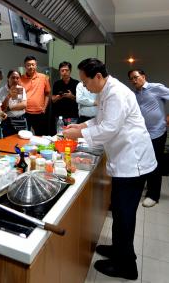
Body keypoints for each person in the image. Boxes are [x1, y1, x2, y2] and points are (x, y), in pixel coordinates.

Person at [63, 58, 156, 280]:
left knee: (125, 215)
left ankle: (127, 266)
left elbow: (109, 128)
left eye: (85, 81)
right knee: (120, 211)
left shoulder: (116, 93)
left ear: (97, 76)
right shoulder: (105, 91)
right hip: (124, 161)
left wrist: (79, 134)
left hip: (133, 163)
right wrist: (82, 125)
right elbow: (100, 119)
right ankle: (118, 249)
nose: (83, 86)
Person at [128, 69, 169, 207]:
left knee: (155, 163)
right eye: (131, 79)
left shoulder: (156, 88)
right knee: (144, 160)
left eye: (136, 77)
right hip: (142, 134)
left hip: (157, 132)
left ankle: (153, 195)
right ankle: (147, 187)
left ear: (143, 77)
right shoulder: (135, 94)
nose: (134, 81)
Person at [19, 55, 51, 136]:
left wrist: (44, 107)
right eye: (28, 65)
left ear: (36, 65)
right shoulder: (20, 79)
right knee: (24, 136)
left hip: (40, 112)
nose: (31, 67)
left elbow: (47, 93)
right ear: (25, 66)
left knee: (40, 136)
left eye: (33, 64)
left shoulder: (43, 77)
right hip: (24, 113)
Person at [51, 61, 79, 127]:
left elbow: (80, 100)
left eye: (66, 70)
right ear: (59, 71)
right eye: (62, 70)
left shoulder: (76, 83)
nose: (64, 72)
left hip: (72, 116)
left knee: (71, 135)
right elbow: (53, 100)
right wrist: (58, 97)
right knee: (60, 135)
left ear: (70, 71)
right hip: (59, 116)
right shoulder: (56, 84)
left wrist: (71, 96)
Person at [1, 70, 27, 136]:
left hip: (21, 119)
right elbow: (2, 108)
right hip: (8, 121)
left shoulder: (21, 89)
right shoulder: (2, 90)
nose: (15, 80)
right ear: (8, 78)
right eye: (13, 77)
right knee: (7, 142)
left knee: (21, 141)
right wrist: (9, 95)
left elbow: (24, 105)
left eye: (17, 78)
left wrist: (9, 108)